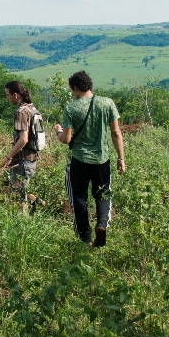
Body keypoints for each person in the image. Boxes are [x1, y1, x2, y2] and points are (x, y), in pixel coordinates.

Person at [52, 71, 125, 247]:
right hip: (102, 159)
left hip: (79, 160)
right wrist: (121, 158)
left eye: (72, 90)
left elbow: (67, 139)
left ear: (76, 88)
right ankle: (101, 225)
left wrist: (58, 132)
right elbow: (116, 132)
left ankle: (85, 237)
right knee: (103, 193)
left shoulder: (71, 108)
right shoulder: (107, 103)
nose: (72, 94)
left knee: (78, 196)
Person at [1, 80, 44, 209]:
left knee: (18, 199)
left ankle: (22, 224)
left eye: (7, 95)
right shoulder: (31, 108)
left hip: (22, 161)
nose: (7, 98)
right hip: (30, 159)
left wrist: (8, 157)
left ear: (15, 95)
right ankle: (37, 201)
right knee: (18, 192)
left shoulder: (21, 112)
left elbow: (24, 139)